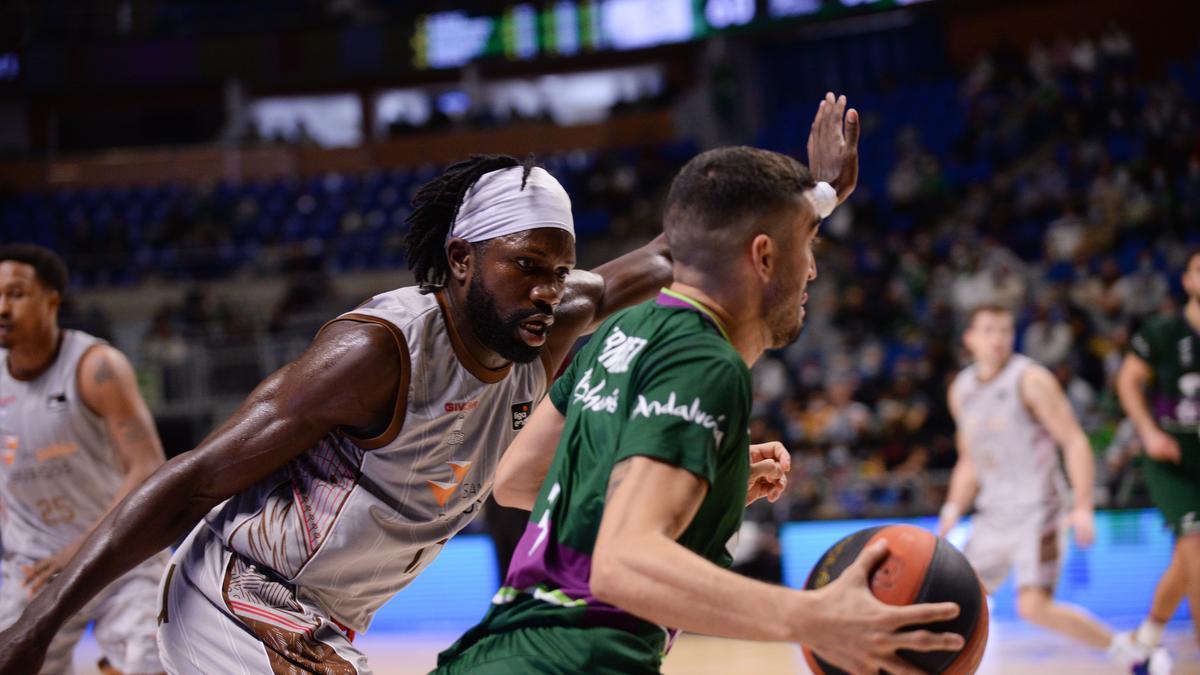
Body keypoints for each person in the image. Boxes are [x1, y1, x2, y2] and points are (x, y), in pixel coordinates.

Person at [0, 154, 676, 673]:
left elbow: (679, 252)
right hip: (237, 594)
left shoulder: (554, 315)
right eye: (526, 265)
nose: (545, 289)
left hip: (325, 616)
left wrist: (783, 201)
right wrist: (39, 623)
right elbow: (196, 478)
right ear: (462, 258)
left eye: (560, 271)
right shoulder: (377, 350)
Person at [435, 94, 968, 675]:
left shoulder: (621, 336)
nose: (812, 269)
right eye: (808, 247)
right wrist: (815, 617)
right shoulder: (706, 361)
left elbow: (517, 480)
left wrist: (706, 488)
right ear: (764, 257)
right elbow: (622, 564)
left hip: (498, 654)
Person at [937, 304, 1156, 669]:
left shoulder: (1031, 379)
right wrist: (951, 510)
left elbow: (1073, 440)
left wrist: (1082, 505)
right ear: (970, 339)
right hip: (994, 512)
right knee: (958, 597)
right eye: (988, 330)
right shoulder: (961, 390)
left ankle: (1128, 650)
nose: (998, 339)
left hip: (1040, 506)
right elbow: (969, 460)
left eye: (1005, 330)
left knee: (1033, 606)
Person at [0, 244, 168, 674]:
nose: (2, 308)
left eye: (16, 294)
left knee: (148, 662)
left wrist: (79, 549)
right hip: (35, 566)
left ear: (51, 301)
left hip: (118, 553)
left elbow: (147, 466)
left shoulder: (97, 367)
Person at [1115, 246, 1200, 658]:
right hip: (1172, 456)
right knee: (1197, 545)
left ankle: (1146, 639)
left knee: (1187, 560)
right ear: (1186, 280)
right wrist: (1148, 432)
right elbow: (1128, 382)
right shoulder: (1162, 331)